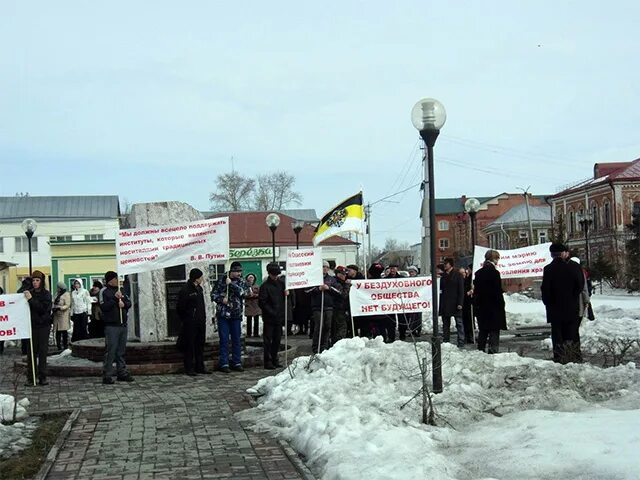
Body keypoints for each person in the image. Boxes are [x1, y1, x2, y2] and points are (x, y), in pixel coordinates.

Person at [541, 244, 585, 364]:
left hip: (555, 309)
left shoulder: (548, 269)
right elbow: (580, 286)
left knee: (557, 334)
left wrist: (549, 303)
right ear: (563, 253)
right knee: (572, 333)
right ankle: (574, 357)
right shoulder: (575, 267)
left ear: (552, 255)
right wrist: (572, 297)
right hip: (572, 306)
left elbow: (545, 290)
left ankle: (559, 358)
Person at [211, 261, 248, 372]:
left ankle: (237, 362)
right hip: (223, 314)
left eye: (240, 271)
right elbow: (213, 294)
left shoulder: (241, 281)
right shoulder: (222, 279)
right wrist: (221, 299)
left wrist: (231, 284)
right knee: (224, 339)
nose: (239, 274)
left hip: (236, 314)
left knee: (236, 339)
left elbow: (242, 293)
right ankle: (224, 363)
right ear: (231, 271)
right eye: (237, 271)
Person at [100, 271, 134, 384]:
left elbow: (129, 303)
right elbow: (103, 307)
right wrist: (114, 299)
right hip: (111, 326)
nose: (118, 280)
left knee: (121, 351)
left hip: (122, 324)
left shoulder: (121, 289)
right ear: (110, 280)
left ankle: (122, 372)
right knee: (111, 351)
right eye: (116, 278)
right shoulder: (104, 291)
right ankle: (107, 374)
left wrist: (124, 304)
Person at [473, 250, 507, 353]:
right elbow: (497, 291)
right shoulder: (495, 273)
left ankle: (480, 350)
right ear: (494, 259)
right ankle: (493, 351)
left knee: (483, 330)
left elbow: (477, 291)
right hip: (493, 307)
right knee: (494, 330)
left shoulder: (478, 273)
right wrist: (501, 305)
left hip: (482, 306)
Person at [177, 268, 208, 376]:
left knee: (200, 344)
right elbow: (180, 307)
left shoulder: (199, 289)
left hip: (200, 321)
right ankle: (189, 367)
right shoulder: (186, 290)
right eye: (201, 277)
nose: (202, 279)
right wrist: (187, 318)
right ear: (196, 278)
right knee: (189, 345)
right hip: (190, 322)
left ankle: (200, 366)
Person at [24, 270, 52, 385]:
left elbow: (42, 309)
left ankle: (42, 376)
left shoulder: (46, 294)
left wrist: (31, 299)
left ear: (41, 281)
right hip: (32, 326)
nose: (35, 282)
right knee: (31, 352)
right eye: (33, 280)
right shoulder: (30, 293)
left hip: (43, 326)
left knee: (42, 351)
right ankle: (31, 377)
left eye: (37, 280)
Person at [258, 262, 286, 369]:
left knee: (277, 340)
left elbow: (283, 299)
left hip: (278, 317)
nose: (275, 277)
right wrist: (271, 312)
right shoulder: (264, 286)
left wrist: (287, 294)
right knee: (268, 340)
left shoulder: (281, 284)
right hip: (269, 318)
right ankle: (268, 360)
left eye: (277, 275)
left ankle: (275, 359)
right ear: (269, 274)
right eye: (274, 275)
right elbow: (262, 302)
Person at [310, 261, 339, 353]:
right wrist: (318, 289)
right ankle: (316, 346)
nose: (325, 268)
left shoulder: (332, 279)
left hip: (329, 306)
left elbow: (338, 291)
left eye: (327, 267)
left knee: (327, 326)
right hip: (317, 307)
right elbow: (307, 290)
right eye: (323, 267)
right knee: (319, 326)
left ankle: (325, 346)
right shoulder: (314, 278)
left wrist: (329, 288)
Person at [439, 258, 465, 347]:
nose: (445, 265)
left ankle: (461, 341)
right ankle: (446, 341)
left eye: (446, 263)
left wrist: (460, 303)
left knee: (459, 323)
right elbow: (440, 290)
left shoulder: (458, 275)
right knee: (446, 324)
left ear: (451, 264)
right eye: (444, 263)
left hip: (455, 303)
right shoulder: (443, 276)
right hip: (445, 303)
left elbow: (461, 290)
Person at [332, 266, 351, 343]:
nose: (344, 276)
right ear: (338, 274)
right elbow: (343, 294)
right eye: (343, 274)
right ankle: (338, 343)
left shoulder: (340, 282)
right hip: (337, 309)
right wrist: (347, 286)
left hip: (341, 308)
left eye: (345, 274)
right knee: (341, 327)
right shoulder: (335, 283)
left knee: (338, 327)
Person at [52, 281, 71, 351]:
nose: (57, 289)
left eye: (58, 287)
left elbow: (68, 304)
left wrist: (60, 308)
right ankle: (58, 346)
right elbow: (53, 301)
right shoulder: (57, 294)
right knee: (57, 331)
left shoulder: (66, 294)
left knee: (63, 331)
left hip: (63, 315)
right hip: (56, 315)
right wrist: (53, 307)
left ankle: (65, 346)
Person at [462, 264, 475, 344]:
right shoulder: (467, 278)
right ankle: (467, 336)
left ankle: (470, 336)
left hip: (470, 302)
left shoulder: (472, 279)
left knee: (470, 320)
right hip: (466, 302)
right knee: (466, 320)